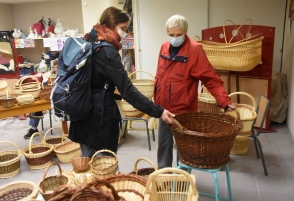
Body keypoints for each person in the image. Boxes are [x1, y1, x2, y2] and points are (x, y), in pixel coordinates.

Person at [68, 6, 174, 158]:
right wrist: (158, 111)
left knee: (88, 167)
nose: (125, 33)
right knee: (106, 169)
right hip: (99, 120)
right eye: (123, 28)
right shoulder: (108, 51)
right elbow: (128, 90)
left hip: (82, 112)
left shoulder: (89, 39)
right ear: (111, 25)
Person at [154, 15, 236, 168]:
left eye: (179, 34)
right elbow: (159, 75)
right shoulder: (164, 47)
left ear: (186, 31)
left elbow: (210, 79)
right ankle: (163, 179)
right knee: (164, 146)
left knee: (184, 151)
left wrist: (224, 100)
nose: (175, 38)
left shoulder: (195, 49)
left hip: (184, 111)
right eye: (171, 35)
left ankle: (183, 183)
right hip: (163, 109)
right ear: (167, 32)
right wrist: (156, 103)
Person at [24, 60, 58, 139]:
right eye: (55, 67)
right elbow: (46, 85)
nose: (56, 69)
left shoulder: (63, 76)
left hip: (58, 99)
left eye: (57, 67)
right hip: (48, 97)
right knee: (36, 104)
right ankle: (33, 128)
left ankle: (33, 127)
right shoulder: (51, 75)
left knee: (38, 107)